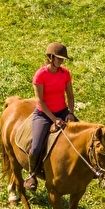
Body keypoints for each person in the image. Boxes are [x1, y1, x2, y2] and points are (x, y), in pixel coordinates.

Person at [26, 42, 77, 191]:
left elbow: (70, 96)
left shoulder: (65, 73)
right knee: (35, 147)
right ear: (51, 57)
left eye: (63, 59)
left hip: (62, 111)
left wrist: (70, 113)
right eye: (59, 58)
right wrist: (54, 119)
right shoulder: (40, 75)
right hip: (44, 114)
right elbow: (40, 101)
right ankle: (32, 174)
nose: (61, 62)